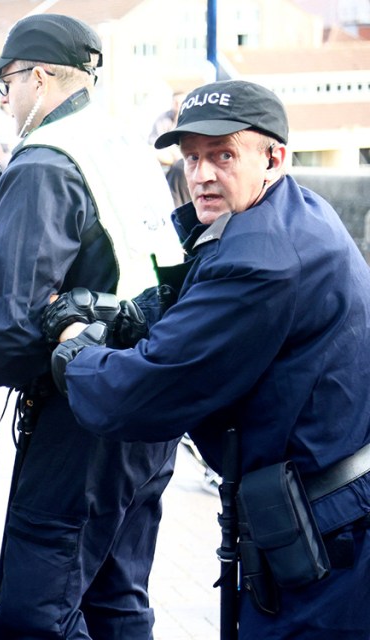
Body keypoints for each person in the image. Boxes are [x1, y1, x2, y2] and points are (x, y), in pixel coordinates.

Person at [48, 79, 370, 638]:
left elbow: (141, 393)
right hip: (330, 508)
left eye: (223, 154)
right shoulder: (291, 211)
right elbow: (200, 303)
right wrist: (128, 317)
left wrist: (75, 346)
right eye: (191, 157)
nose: (201, 174)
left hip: (325, 532)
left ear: (274, 156)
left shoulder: (264, 257)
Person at [0, 14, 184, 639]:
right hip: (148, 409)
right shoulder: (119, 146)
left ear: (39, 77)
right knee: (117, 602)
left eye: (6, 82)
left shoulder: (44, 161)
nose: (5, 100)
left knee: (35, 616)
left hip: (81, 423)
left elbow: (6, 341)